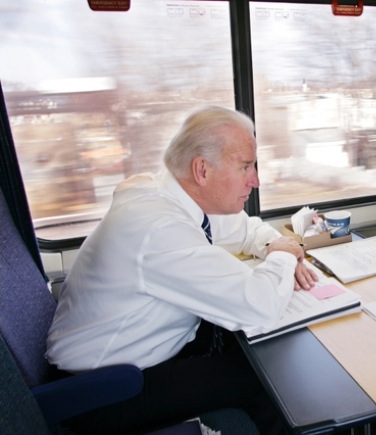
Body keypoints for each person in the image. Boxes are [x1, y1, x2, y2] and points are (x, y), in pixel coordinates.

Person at [46, 106, 318, 434]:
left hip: (131, 356)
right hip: (101, 390)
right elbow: (258, 305)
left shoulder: (172, 196)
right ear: (202, 170)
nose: (255, 180)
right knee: (264, 375)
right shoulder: (158, 226)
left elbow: (246, 230)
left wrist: (274, 246)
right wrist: (285, 255)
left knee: (250, 350)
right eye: (245, 166)